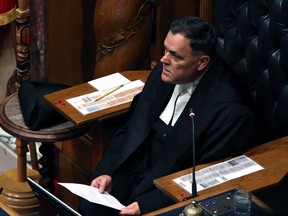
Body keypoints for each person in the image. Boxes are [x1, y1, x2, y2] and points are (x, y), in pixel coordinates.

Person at [78, 16, 258, 215]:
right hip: (131, 170)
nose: (164, 59)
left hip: (167, 190)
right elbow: (131, 127)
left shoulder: (229, 112)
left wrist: (150, 204)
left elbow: (208, 176)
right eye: (165, 50)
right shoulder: (165, 70)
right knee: (90, 207)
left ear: (202, 62)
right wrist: (107, 171)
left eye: (175, 56)